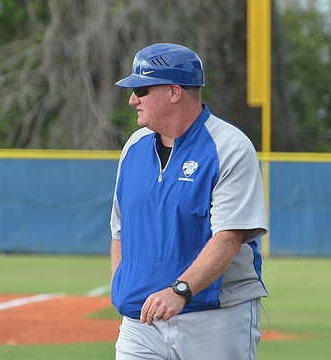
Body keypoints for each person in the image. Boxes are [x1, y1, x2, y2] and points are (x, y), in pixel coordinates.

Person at [110, 43, 268, 360]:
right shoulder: (134, 148)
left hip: (216, 316)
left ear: (174, 91)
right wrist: (123, 287)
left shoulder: (229, 146)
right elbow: (120, 229)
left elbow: (229, 235)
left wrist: (180, 290)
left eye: (141, 89)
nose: (132, 100)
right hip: (141, 321)